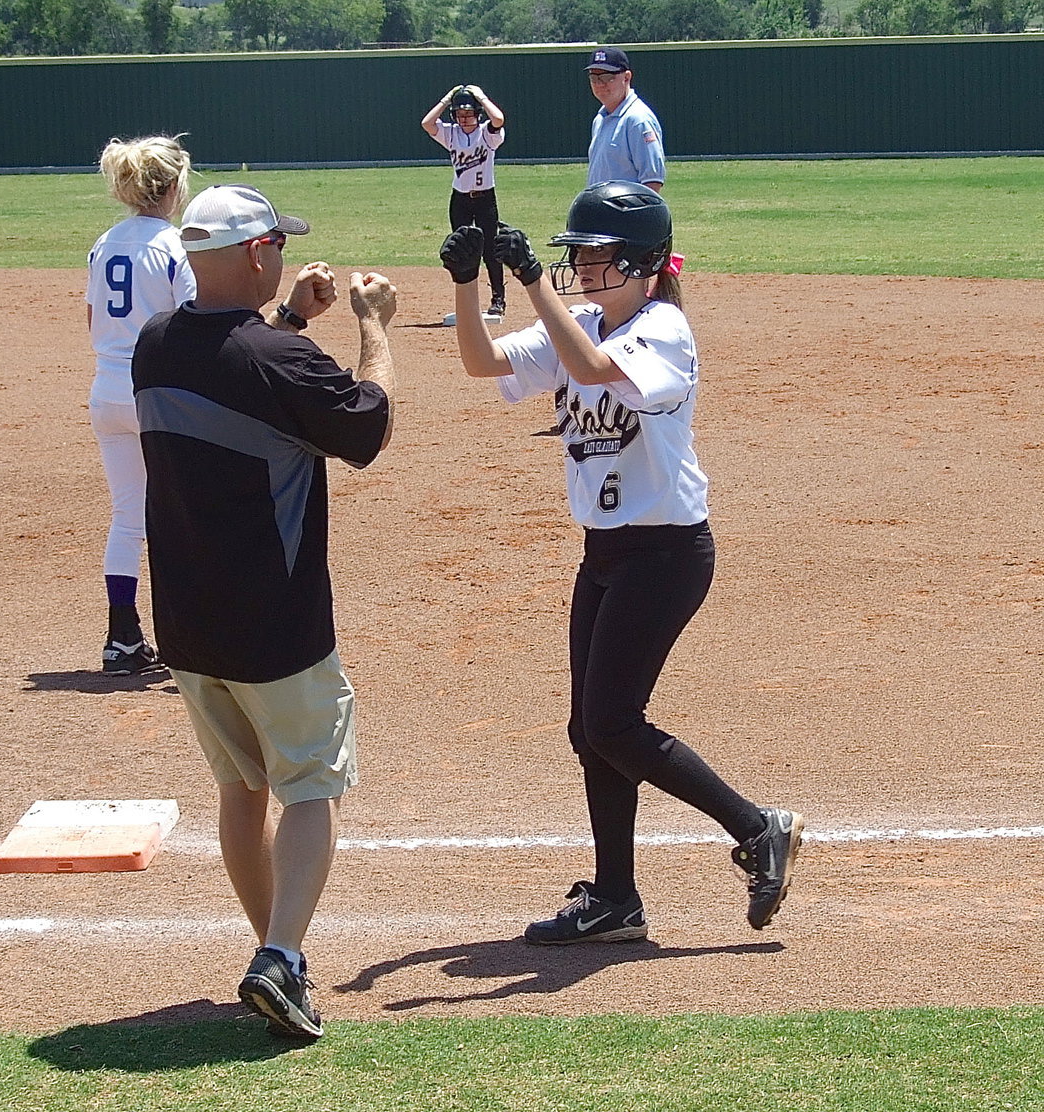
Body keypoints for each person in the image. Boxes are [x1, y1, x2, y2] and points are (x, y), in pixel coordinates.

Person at [439, 181, 802, 944]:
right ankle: (615, 899)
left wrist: (534, 284)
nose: (583, 267)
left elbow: (598, 370)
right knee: (589, 728)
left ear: (642, 262)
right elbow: (481, 363)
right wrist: (469, 284)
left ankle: (756, 827)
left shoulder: (662, 329)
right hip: (604, 553)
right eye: (577, 256)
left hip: (667, 553)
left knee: (612, 720)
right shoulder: (586, 321)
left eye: (598, 255)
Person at [131, 184, 397, 1037]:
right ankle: (281, 959)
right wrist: (374, 326)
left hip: (187, 625)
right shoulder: (279, 362)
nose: (284, 253)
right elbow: (367, 427)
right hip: (277, 625)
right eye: (278, 243)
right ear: (255, 253)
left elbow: (233, 369)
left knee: (242, 789)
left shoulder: (154, 346)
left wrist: (287, 315)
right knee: (310, 785)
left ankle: (278, 956)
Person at [86, 134, 195, 675]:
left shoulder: (103, 244)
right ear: (174, 186)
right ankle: (192, 639)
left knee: (130, 515)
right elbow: (196, 323)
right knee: (189, 514)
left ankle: (122, 639)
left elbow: (93, 324)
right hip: (157, 396)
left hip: (106, 391)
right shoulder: (175, 246)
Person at [422, 83, 509, 322]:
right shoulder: (451, 134)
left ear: (478, 113)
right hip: (460, 199)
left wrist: (481, 96)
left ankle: (498, 299)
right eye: (460, 114)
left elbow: (499, 118)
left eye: (469, 114)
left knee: (490, 250)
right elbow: (427, 123)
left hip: (485, 199)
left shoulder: (487, 133)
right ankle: (467, 301)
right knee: (462, 251)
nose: (464, 119)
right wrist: (447, 98)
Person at [585, 47, 666, 192]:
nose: (599, 84)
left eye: (607, 77)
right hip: (600, 211)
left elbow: (652, 183)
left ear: (627, 77)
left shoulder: (638, 119)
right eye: (594, 78)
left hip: (627, 213)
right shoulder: (599, 119)